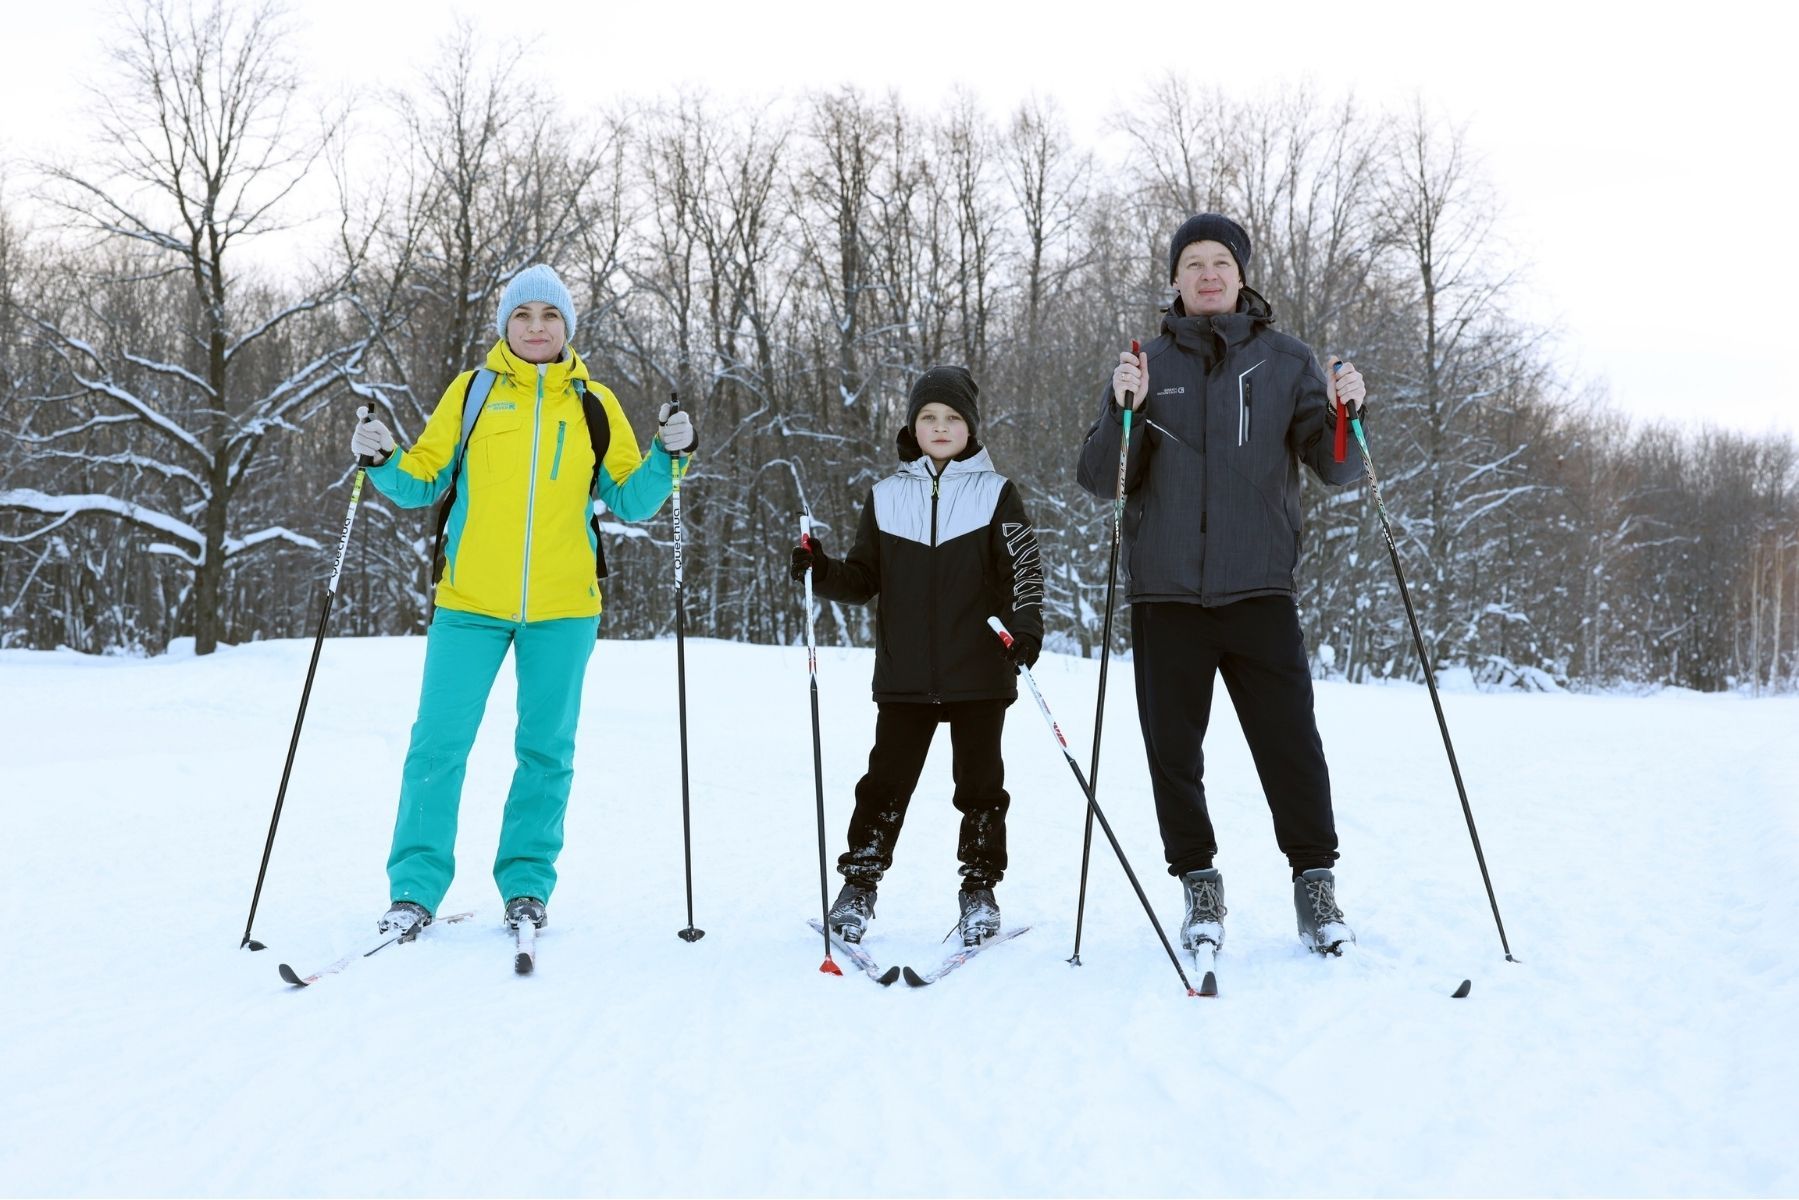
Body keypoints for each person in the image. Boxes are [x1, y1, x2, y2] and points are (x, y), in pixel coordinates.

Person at [349, 263, 695, 937]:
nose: (536, 328)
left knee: (546, 753)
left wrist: (667, 455)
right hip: (469, 603)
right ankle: (414, 891)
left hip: (563, 610)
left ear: (568, 326)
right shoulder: (472, 392)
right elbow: (422, 482)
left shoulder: (594, 403)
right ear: (505, 325)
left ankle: (527, 886)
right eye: (523, 316)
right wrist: (384, 456)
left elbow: (630, 498)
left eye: (549, 316)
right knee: (436, 747)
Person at [1075, 213, 1368, 957]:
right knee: (1173, 754)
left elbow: (1337, 468)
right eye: (1193, 264)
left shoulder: (1286, 361)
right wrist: (1121, 406)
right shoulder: (1144, 363)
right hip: (1166, 593)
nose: (1208, 275)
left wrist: (1349, 412)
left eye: (1221, 263)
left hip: (1259, 589)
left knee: (1290, 746)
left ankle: (1315, 886)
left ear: (1241, 276)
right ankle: (1199, 887)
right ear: (1174, 279)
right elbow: (1101, 478)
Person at [791, 366, 1044, 947]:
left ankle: (979, 891)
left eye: (953, 417)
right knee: (884, 784)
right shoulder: (886, 496)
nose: (940, 426)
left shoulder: (996, 493)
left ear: (970, 427)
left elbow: (1025, 573)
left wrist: (1026, 630)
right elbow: (863, 579)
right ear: (912, 425)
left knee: (981, 787)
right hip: (904, 674)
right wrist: (820, 570)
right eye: (929, 416)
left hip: (980, 670)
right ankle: (858, 887)